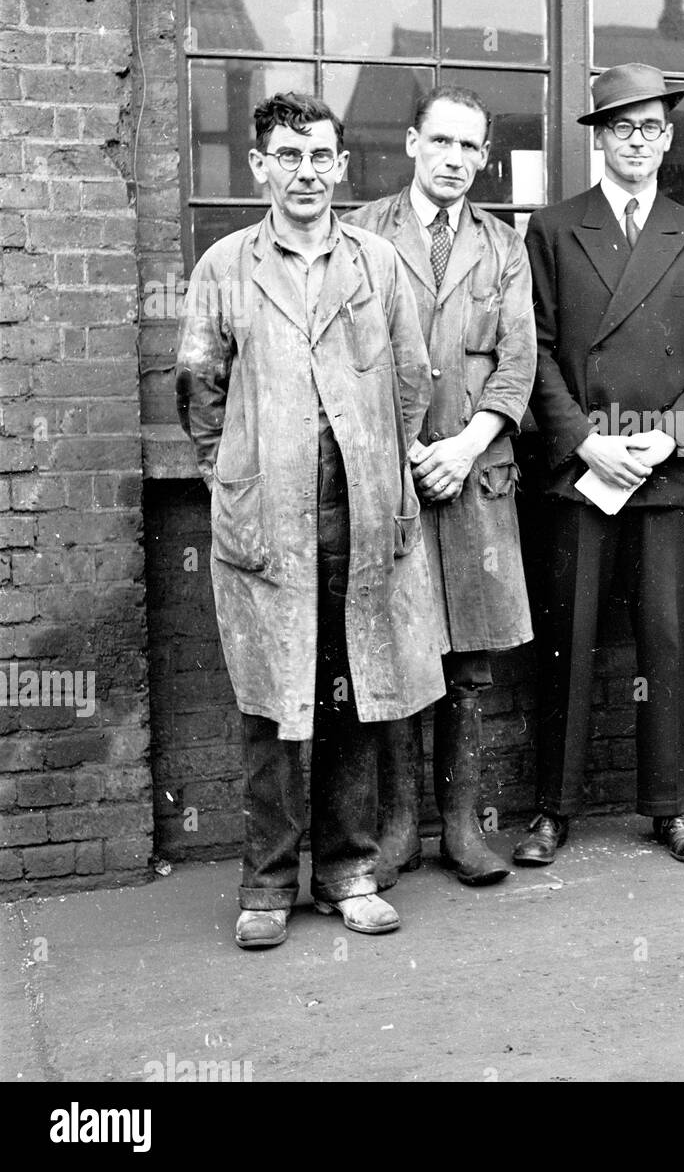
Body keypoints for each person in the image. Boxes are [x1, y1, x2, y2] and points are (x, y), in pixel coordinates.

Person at [176, 91, 445, 948]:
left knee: (355, 695)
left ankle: (347, 871)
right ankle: (264, 885)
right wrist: (235, 477)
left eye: (321, 156)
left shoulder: (376, 263)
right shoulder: (225, 266)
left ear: (342, 165)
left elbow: (414, 379)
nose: (306, 173)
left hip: (360, 519)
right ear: (260, 167)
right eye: (288, 157)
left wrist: (381, 469)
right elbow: (198, 390)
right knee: (268, 708)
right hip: (266, 526)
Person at [516, 63, 684, 866]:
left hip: (664, 471)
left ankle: (668, 806)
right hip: (583, 472)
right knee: (568, 645)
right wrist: (583, 439)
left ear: (669, 139)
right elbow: (533, 350)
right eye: (622, 128)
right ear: (599, 138)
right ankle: (554, 810)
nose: (638, 142)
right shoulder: (552, 229)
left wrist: (671, 433)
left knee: (666, 646)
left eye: (651, 128)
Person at [345, 86, 536, 888]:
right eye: (442, 143)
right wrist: (406, 453)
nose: (456, 160)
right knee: (398, 651)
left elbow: (520, 360)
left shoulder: (503, 245)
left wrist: (465, 445)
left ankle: (461, 827)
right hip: (391, 477)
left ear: (483, 156)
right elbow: (350, 361)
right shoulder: (362, 233)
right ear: (413, 144)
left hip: (474, 471)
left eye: (471, 147)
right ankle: (396, 831)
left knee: (469, 665)